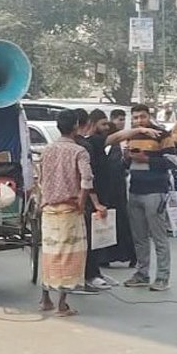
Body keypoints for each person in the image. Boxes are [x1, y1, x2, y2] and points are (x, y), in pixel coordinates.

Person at [38, 110, 104, 317]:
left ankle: (45, 297)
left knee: (50, 253)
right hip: (69, 209)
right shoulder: (78, 151)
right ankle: (62, 304)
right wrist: (82, 202)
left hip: (49, 209)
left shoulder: (47, 150)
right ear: (76, 126)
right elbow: (86, 179)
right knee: (70, 256)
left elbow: (40, 179)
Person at [107, 104, 177, 291]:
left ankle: (162, 277)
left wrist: (146, 159)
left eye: (142, 117)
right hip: (135, 189)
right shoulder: (131, 136)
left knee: (159, 236)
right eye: (136, 117)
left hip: (155, 191)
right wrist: (127, 158)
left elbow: (172, 162)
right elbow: (126, 165)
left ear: (149, 116)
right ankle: (142, 273)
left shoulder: (162, 135)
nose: (139, 120)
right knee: (139, 237)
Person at [76, 109, 111, 291]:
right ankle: (90, 274)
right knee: (90, 239)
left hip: (65, 201)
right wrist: (95, 202)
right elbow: (86, 179)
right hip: (86, 199)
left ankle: (87, 273)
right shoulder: (84, 147)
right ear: (88, 123)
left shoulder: (53, 148)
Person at [99, 121, 136, 267]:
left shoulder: (112, 148)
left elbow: (115, 168)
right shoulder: (108, 148)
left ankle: (116, 255)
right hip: (113, 189)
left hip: (112, 190)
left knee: (116, 223)